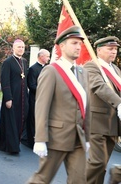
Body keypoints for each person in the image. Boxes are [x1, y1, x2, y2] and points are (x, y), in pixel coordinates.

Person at [27, 26, 90, 183]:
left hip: (78, 138)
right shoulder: (51, 71)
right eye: (74, 43)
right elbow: (41, 106)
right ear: (62, 46)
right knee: (42, 179)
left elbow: (86, 107)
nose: (78, 47)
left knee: (79, 180)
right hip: (56, 138)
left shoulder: (83, 73)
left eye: (79, 44)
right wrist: (40, 139)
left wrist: (87, 137)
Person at [84, 36, 121, 184]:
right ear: (99, 50)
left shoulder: (116, 69)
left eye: (116, 49)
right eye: (110, 49)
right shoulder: (91, 66)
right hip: (97, 122)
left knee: (102, 164)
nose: (114, 52)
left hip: (113, 123)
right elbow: (99, 87)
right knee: (97, 162)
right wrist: (119, 103)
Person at [0, 39, 29, 154]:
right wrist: (8, 98)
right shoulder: (8, 62)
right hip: (12, 97)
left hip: (22, 97)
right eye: (19, 47)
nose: (21, 49)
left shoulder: (24, 61)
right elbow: (5, 81)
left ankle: (12, 142)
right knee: (10, 121)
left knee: (19, 121)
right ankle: (11, 147)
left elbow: (25, 79)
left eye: (23, 47)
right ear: (13, 48)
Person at [26, 49, 50, 149]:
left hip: (45, 99)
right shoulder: (33, 69)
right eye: (47, 56)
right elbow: (31, 85)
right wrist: (43, 92)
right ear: (41, 57)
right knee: (33, 119)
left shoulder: (48, 68)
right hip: (34, 98)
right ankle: (32, 141)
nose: (49, 58)